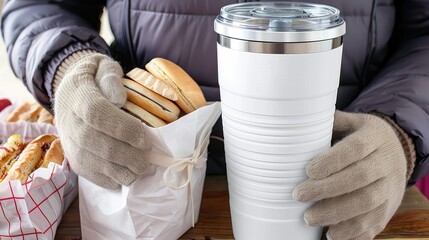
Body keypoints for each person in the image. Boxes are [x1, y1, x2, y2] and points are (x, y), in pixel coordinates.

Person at [1, 0, 429, 239]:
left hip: (346, 189)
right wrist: (68, 65)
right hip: (145, 189)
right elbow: (40, 6)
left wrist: (400, 129)